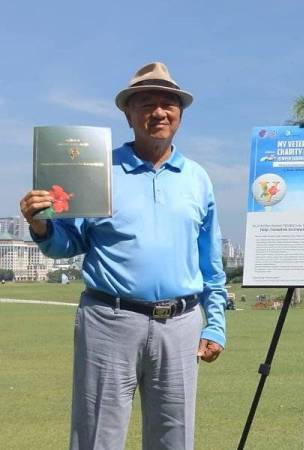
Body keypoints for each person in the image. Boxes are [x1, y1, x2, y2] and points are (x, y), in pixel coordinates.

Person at [20, 62, 227, 450]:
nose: (159, 112)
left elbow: (210, 264)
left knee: (175, 439)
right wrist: (42, 226)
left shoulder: (197, 177)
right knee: (97, 436)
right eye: (147, 103)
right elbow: (71, 241)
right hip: (109, 321)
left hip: (180, 323)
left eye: (169, 103)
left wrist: (214, 325)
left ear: (180, 114)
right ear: (128, 114)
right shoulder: (98, 170)